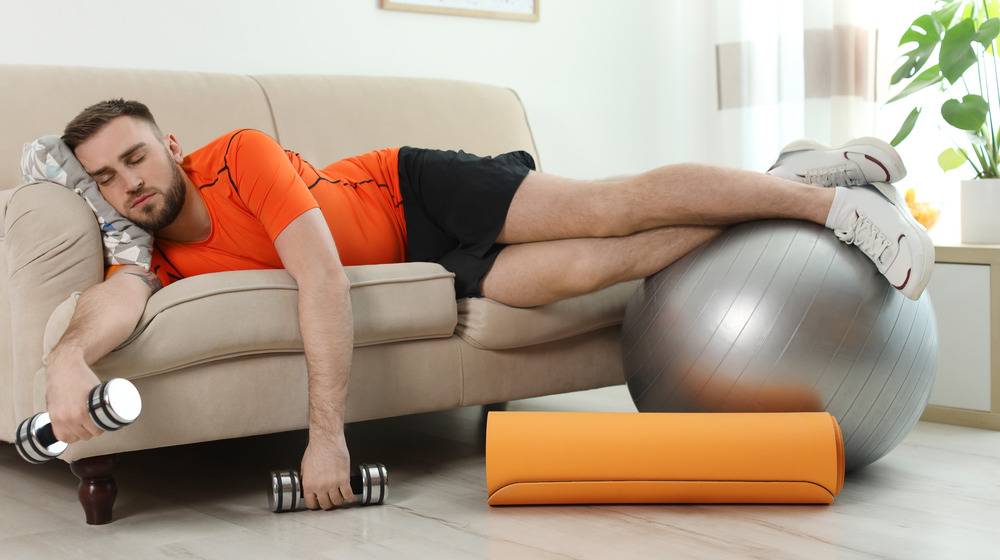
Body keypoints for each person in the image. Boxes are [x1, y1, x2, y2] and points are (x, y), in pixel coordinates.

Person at [45, 99, 932, 511]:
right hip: (436, 262)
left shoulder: (236, 154)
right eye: (107, 178)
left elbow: (320, 277)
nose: (128, 183)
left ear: (167, 145)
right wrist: (65, 360)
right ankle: (782, 180)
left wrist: (327, 437)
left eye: (136, 159)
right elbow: (112, 306)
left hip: (417, 192)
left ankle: (833, 205)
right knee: (597, 265)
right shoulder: (151, 248)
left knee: (611, 204)